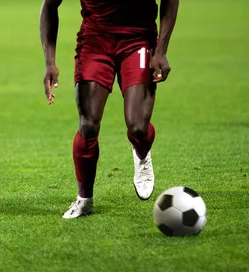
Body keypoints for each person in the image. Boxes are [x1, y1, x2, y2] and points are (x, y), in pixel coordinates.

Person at [39, 0, 179, 218]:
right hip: (95, 41)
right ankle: (85, 199)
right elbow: (49, 5)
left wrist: (161, 50)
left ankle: (142, 154)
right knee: (88, 124)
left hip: (138, 40)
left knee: (138, 127)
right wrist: (50, 61)